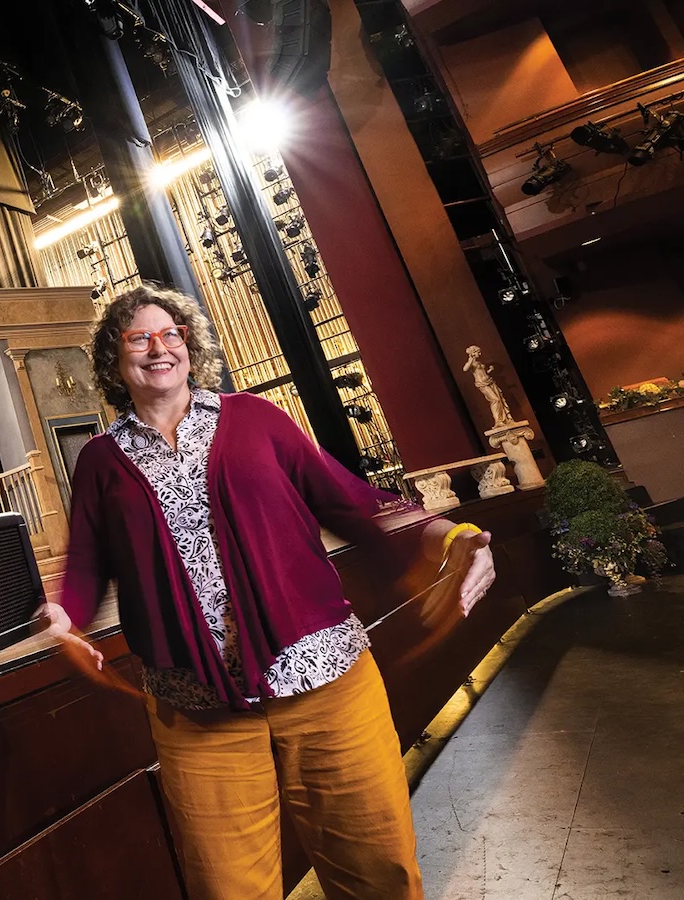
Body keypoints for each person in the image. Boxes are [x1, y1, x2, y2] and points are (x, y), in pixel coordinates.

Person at [38, 286, 496, 900]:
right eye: (138, 337)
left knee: (378, 872)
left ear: (190, 347)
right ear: (114, 362)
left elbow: (351, 500)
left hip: (329, 685)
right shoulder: (99, 460)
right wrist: (63, 613)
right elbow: (89, 563)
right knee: (228, 891)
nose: (158, 347)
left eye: (170, 333)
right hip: (198, 713)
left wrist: (452, 534)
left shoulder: (254, 418)